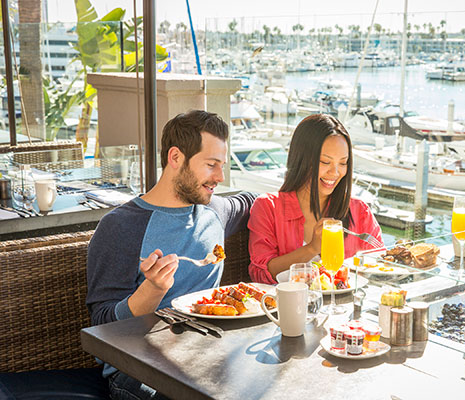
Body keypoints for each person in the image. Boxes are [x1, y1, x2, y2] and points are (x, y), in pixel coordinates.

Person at [87, 110, 255, 400]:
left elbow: (254, 201)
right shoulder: (121, 227)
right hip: (137, 370)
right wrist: (151, 290)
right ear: (176, 157)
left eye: (222, 165)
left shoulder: (215, 212)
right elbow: (102, 325)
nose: (220, 177)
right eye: (211, 165)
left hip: (204, 355)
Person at [247, 113, 383, 284]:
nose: (335, 173)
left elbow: (381, 266)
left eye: (343, 163)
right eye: (325, 162)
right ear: (301, 160)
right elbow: (260, 274)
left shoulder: (359, 211)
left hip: (344, 307)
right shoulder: (268, 207)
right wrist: (311, 248)